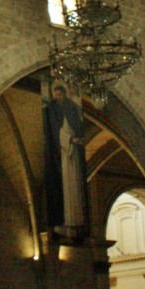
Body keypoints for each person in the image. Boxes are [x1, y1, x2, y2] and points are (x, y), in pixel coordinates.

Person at [42, 78, 89, 241]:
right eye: (56, 94)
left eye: (60, 94)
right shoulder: (53, 111)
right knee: (64, 186)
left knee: (74, 186)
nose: (59, 97)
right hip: (63, 154)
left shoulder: (71, 108)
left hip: (73, 156)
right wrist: (70, 140)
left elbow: (76, 124)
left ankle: (76, 223)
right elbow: (56, 132)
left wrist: (77, 139)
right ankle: (64, 223)